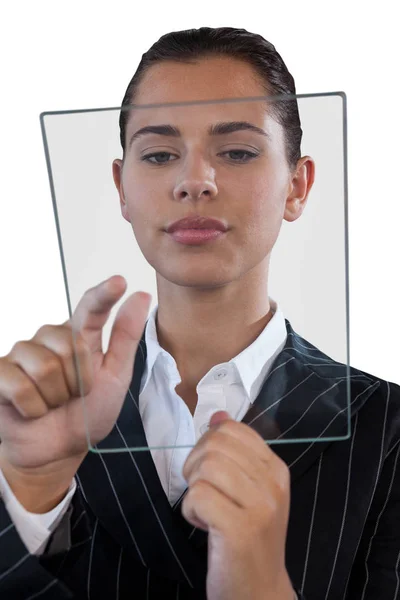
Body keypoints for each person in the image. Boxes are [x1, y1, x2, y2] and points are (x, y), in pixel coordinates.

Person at [0, 26, 399, 600]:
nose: (194, 182)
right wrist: (31, 489)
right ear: (121, 188)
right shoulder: (42, 413)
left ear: (297, 184)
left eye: (236, 151)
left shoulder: (387, 428)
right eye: (160, 154)